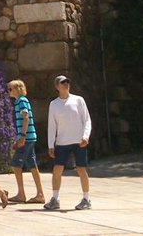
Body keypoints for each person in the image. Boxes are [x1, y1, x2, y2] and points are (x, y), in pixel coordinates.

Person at [45, 75, 93, 211]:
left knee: (81, 169)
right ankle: (55, 199)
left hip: (79, 141)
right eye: (62, 83)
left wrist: (85, 136)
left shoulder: (78, 100)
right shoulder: (54, 104)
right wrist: (50, 145)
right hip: (62, 142)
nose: (66, 84)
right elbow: (52, 126)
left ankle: (86, 199)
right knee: (57, 169)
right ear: (57, 87)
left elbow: (87, 120)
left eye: (67, 82)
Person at [8, 79, 46, 204]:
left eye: (10, 89)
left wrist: (23, 137)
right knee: (32, 165)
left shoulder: (21, 101)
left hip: (27, 138)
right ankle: (40, 194)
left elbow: (26, 118)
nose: (9, 91)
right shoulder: (21, 101)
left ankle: (21, 194)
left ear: (17, 89)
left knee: (15, 164)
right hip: (29, 137)